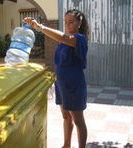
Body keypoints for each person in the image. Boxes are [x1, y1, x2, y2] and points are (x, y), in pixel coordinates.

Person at [24, 9, 89, 148]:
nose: (67, 25)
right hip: (61, 85)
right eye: (65, 22)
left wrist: (39, 27)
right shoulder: (64, 40)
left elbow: (63, 38)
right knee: (66, 117)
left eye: (71, 22)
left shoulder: (79, 39)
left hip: (74, 85)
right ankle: (66, 145)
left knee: (78, 120)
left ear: (79, 23)